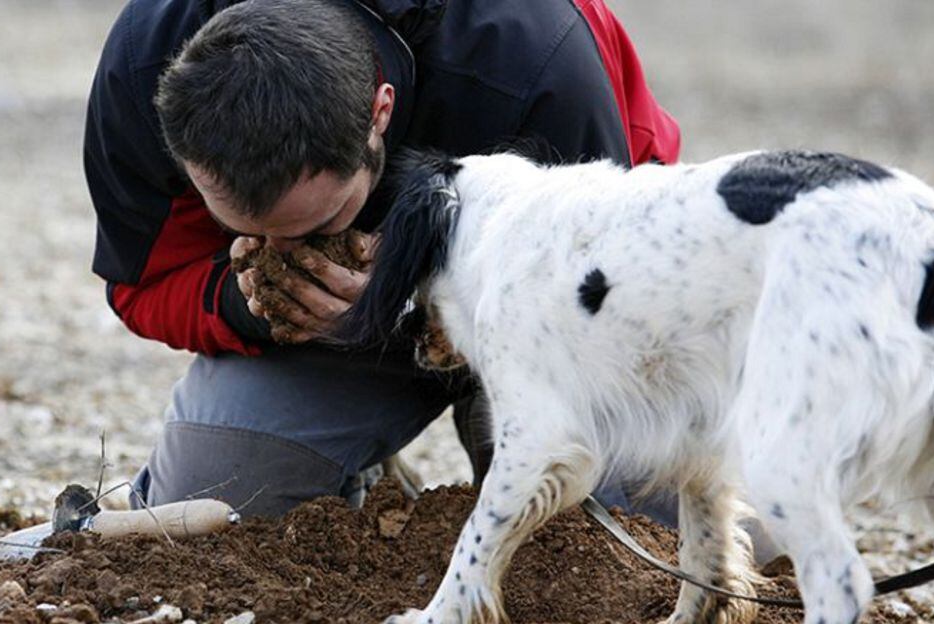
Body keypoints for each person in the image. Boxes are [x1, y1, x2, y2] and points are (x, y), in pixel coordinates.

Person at [84, 0, 680, 518]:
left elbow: (603, 303)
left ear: (380, 113)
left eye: (318, 224)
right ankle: (363, 476)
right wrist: (249, 306)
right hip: (325, 344)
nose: (279, 254)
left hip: (541, 316)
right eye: (242, 230)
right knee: (212, 498)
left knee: (655, 517)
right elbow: (143, 281)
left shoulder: (537, 63)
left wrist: (446, 320)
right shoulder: (148, 62)